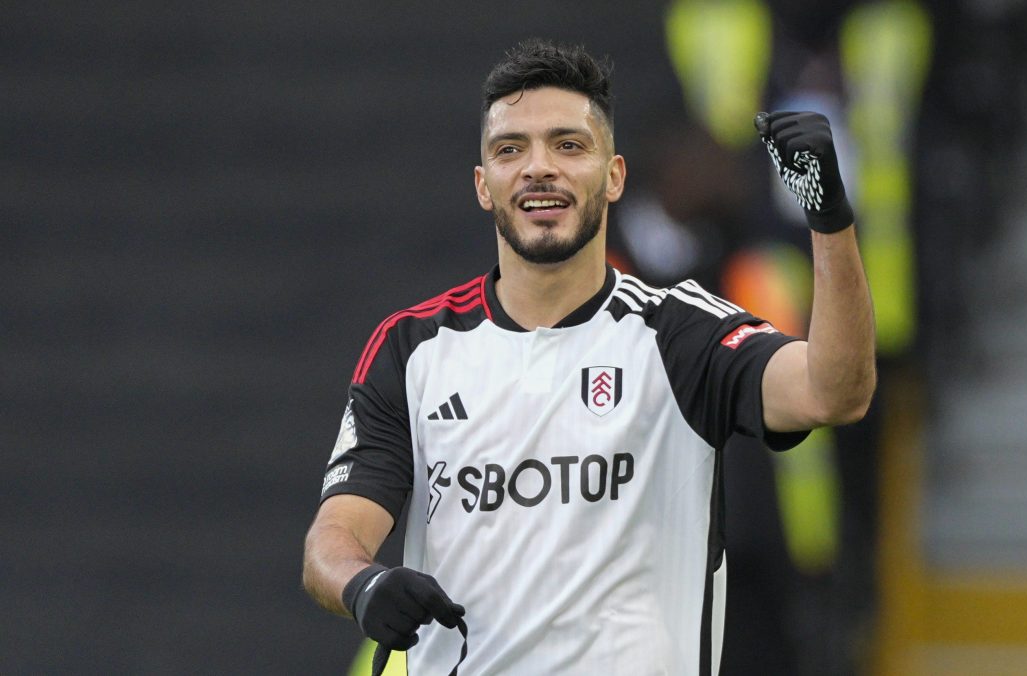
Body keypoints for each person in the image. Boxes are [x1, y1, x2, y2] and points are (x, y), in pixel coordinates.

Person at [302, 38, 876, 675]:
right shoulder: (412, 348)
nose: (538, 167)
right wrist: (364, 585)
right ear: (483, 185)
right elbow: (334, 538)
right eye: (509, 149)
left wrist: (829, 221)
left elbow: (836, 392)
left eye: (568, 145)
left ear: (615, 176)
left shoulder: (680, 335)